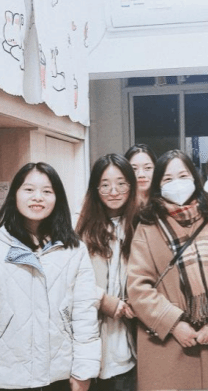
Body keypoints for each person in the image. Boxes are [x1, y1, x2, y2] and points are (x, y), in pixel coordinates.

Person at [0, 162, 100, 391]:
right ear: (15, 195)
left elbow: (85, 314)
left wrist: (84, 371)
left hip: (60, 376)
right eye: (29, 189)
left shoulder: (74, 250)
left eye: (47, 191)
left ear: (57, 198)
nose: (38, 197)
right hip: (7, 379)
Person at [126, 150, 208, 390]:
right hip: (165, 345)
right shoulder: (147, 226)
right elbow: (138, 287)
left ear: (195, 179)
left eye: (183, 176)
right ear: (158, 186)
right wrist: (174, 324)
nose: (176, 183)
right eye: (168, 179)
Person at [76, 154, 139, 391]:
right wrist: (105, 301)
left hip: (130, 346)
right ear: (95, 189)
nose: (114, 191)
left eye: (121, 183)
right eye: (105, 185)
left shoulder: (142, 225)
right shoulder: (80, 229)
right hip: (89, 346)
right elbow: (70, 281)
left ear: (131, 186)